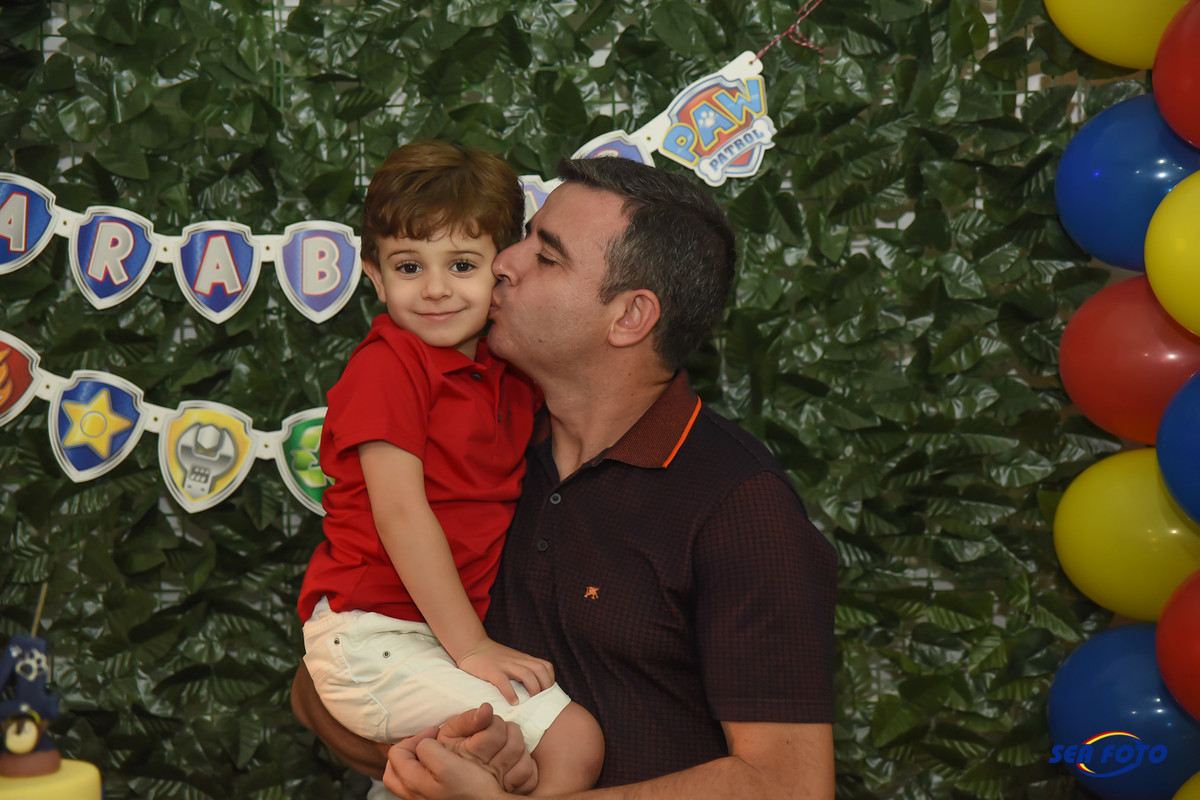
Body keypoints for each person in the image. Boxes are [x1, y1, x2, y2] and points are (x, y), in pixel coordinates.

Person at [292, 154, 837, 799]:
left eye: (545, 256)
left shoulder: (740, 506)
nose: (503, 262)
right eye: (522, 238)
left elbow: (791, 786)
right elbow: (315, 688)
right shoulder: (483, 436)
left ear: (629, 317)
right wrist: (436, 756)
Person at [296, 140, 603, 798]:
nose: (435, 289)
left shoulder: (505, 376)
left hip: (423, 639)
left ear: (504, 269)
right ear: (376, 277)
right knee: (573, 740)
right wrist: (473, 648)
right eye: (409, 266)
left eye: (462, 264)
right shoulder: (388, 367)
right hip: (372, 636)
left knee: (508, 766)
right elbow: (400, 514)